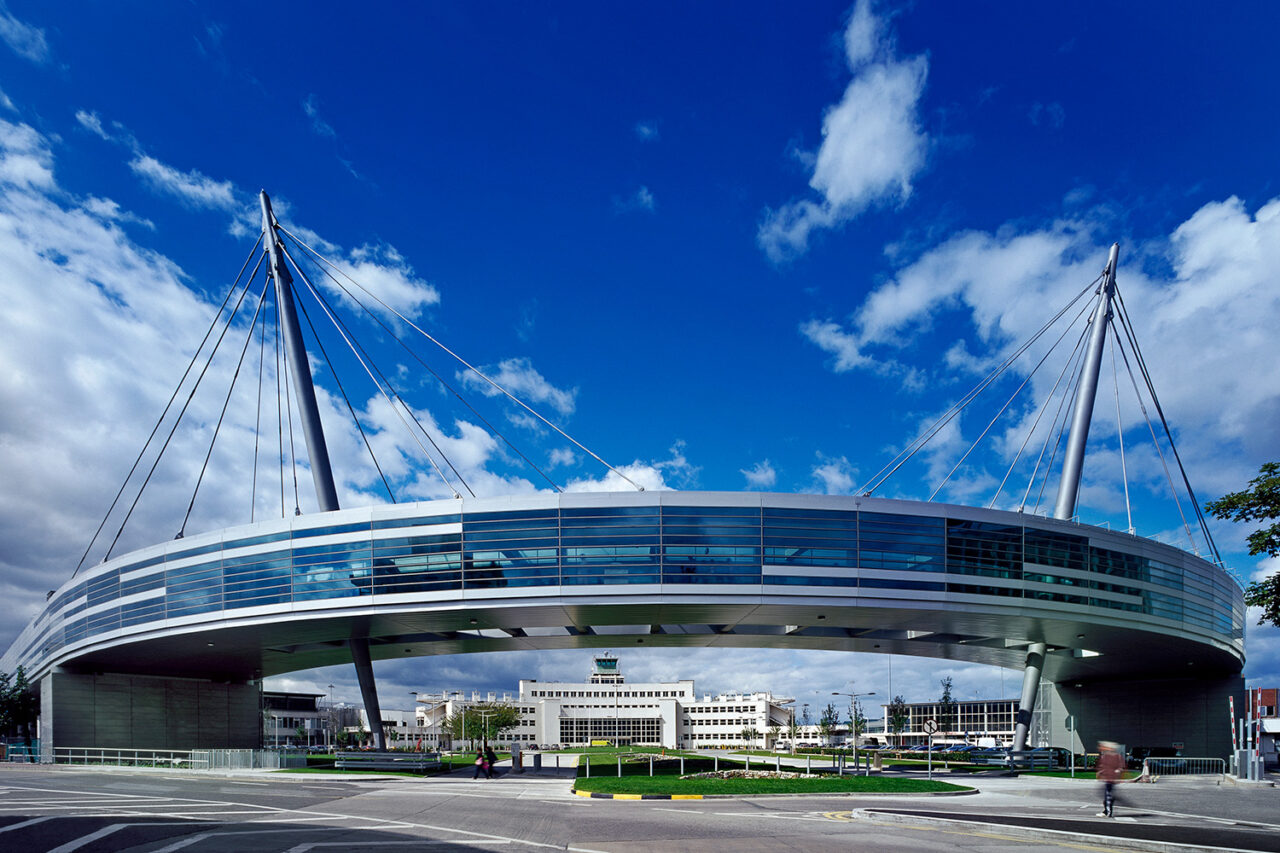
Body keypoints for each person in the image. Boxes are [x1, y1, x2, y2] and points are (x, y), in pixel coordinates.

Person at [1096, 741, 1124, 817]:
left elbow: (1120, 767)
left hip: (1111, 779)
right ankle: (1106, 810)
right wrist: (1101, 772)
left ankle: (1108, 812)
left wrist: (1117, 773)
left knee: (1108, 795)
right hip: (1108, 778)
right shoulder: (1105, 756)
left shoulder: (1116, 756)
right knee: (1106, 795)